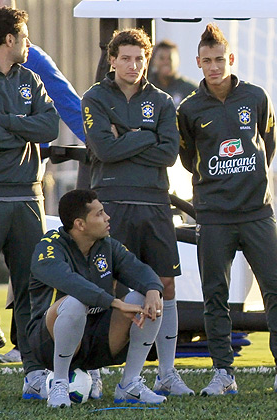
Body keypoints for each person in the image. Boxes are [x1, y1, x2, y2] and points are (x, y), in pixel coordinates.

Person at [0, 0, 87, 368]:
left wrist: (94, 139)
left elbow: (55, 116)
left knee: (30, 281)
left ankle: (30, 360)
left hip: (25, 188)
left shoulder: (33, 64)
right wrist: (19, 129)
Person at [177, 23, 277, 397]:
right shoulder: (189, 109)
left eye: (220, 59)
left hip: (257, 212)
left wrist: (247, 178)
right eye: (207, 61)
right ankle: (223, 373)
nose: (214, 67)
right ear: (198, 63)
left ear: (231, 59)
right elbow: (189, 158)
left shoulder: (255, 97)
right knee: (215, 295)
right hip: (214, 215)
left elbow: (266, 146)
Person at [81, 28, 194, 397]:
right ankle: (93, 371)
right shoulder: (94, 97)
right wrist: (146, 135)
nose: (133, 65)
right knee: (105, 285)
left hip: (155, 202)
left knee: (164, 285)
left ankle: (164, 373)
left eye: (139, 58)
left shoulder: (162, 101)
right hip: (110, 202)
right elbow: (104, 149)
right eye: (125, 58)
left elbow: (169, 154)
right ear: (112, 59)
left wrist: (125, 134)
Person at [27, 189, 165, 408]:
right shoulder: (49, 246)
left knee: (146, 299)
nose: (107, 217)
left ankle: (130, 385)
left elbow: (138, 269)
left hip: (97, 340)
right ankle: (59, 384)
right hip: (48, 344)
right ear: (80, 224)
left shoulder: (107, 245)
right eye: (99, 213)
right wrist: (114, 302)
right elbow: (71, 282)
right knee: (74, 302)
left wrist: (153, 290)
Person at [148, 39, 197, 106]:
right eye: (161, 58)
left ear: (177, 61)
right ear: (153, 61)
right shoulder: (146, 88)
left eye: (170, 59)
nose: (166, 62)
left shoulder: (190, 90)